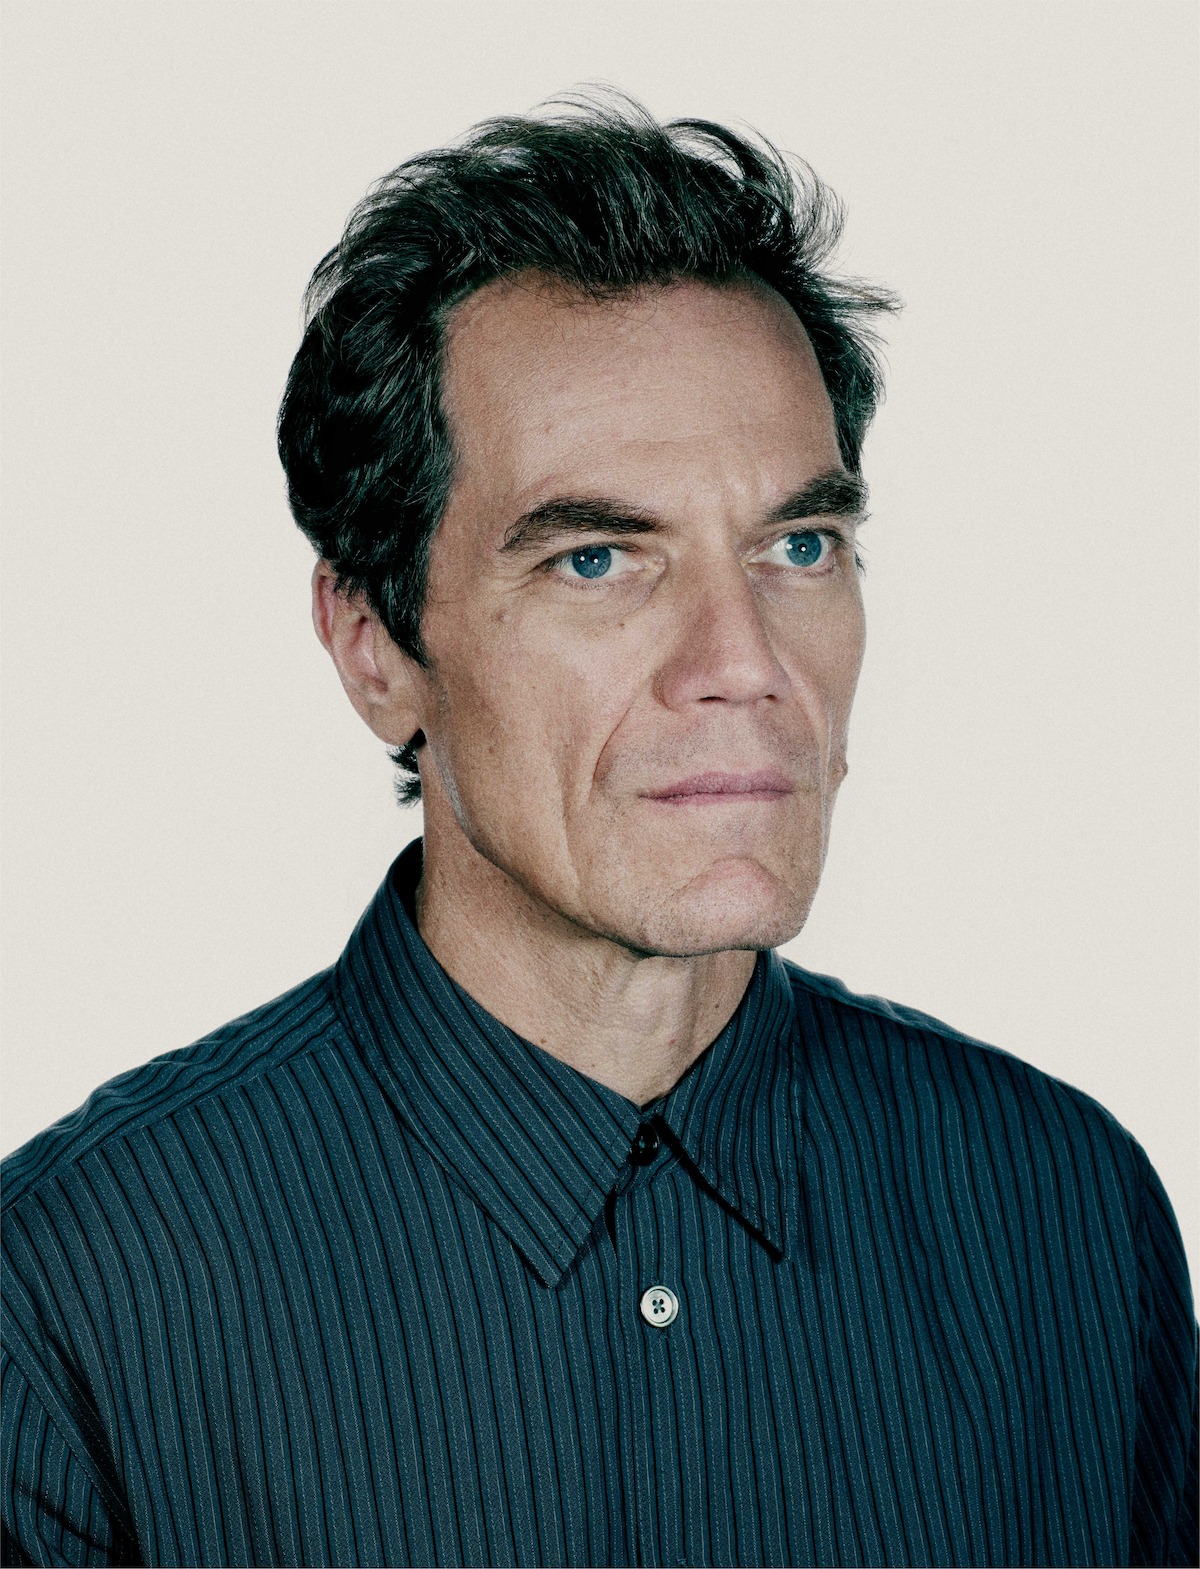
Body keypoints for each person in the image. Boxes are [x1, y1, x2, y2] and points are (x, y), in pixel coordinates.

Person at [2, 94, 1194, 1569]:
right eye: (597, 558)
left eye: (798, 545)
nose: (743, 658)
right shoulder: (75, 1290)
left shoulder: (1068, 1212)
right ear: (377, 646)